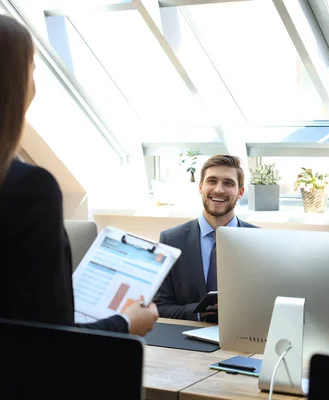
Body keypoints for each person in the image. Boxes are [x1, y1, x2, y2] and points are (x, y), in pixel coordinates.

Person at [0, 15, 158, 335]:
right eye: (32, 68)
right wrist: (127, 323)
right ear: (16, 81)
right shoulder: (29, 188)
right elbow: (48, 336)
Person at [153, 154, 258, 321]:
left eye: (228, 183)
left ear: (241, 192)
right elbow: (159, 306)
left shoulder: (259, 241)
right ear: (200, 187)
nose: (218, 189)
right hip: (188, 342)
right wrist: (199, 312)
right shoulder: (171, 240)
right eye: (212, 181)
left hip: (244, 338)